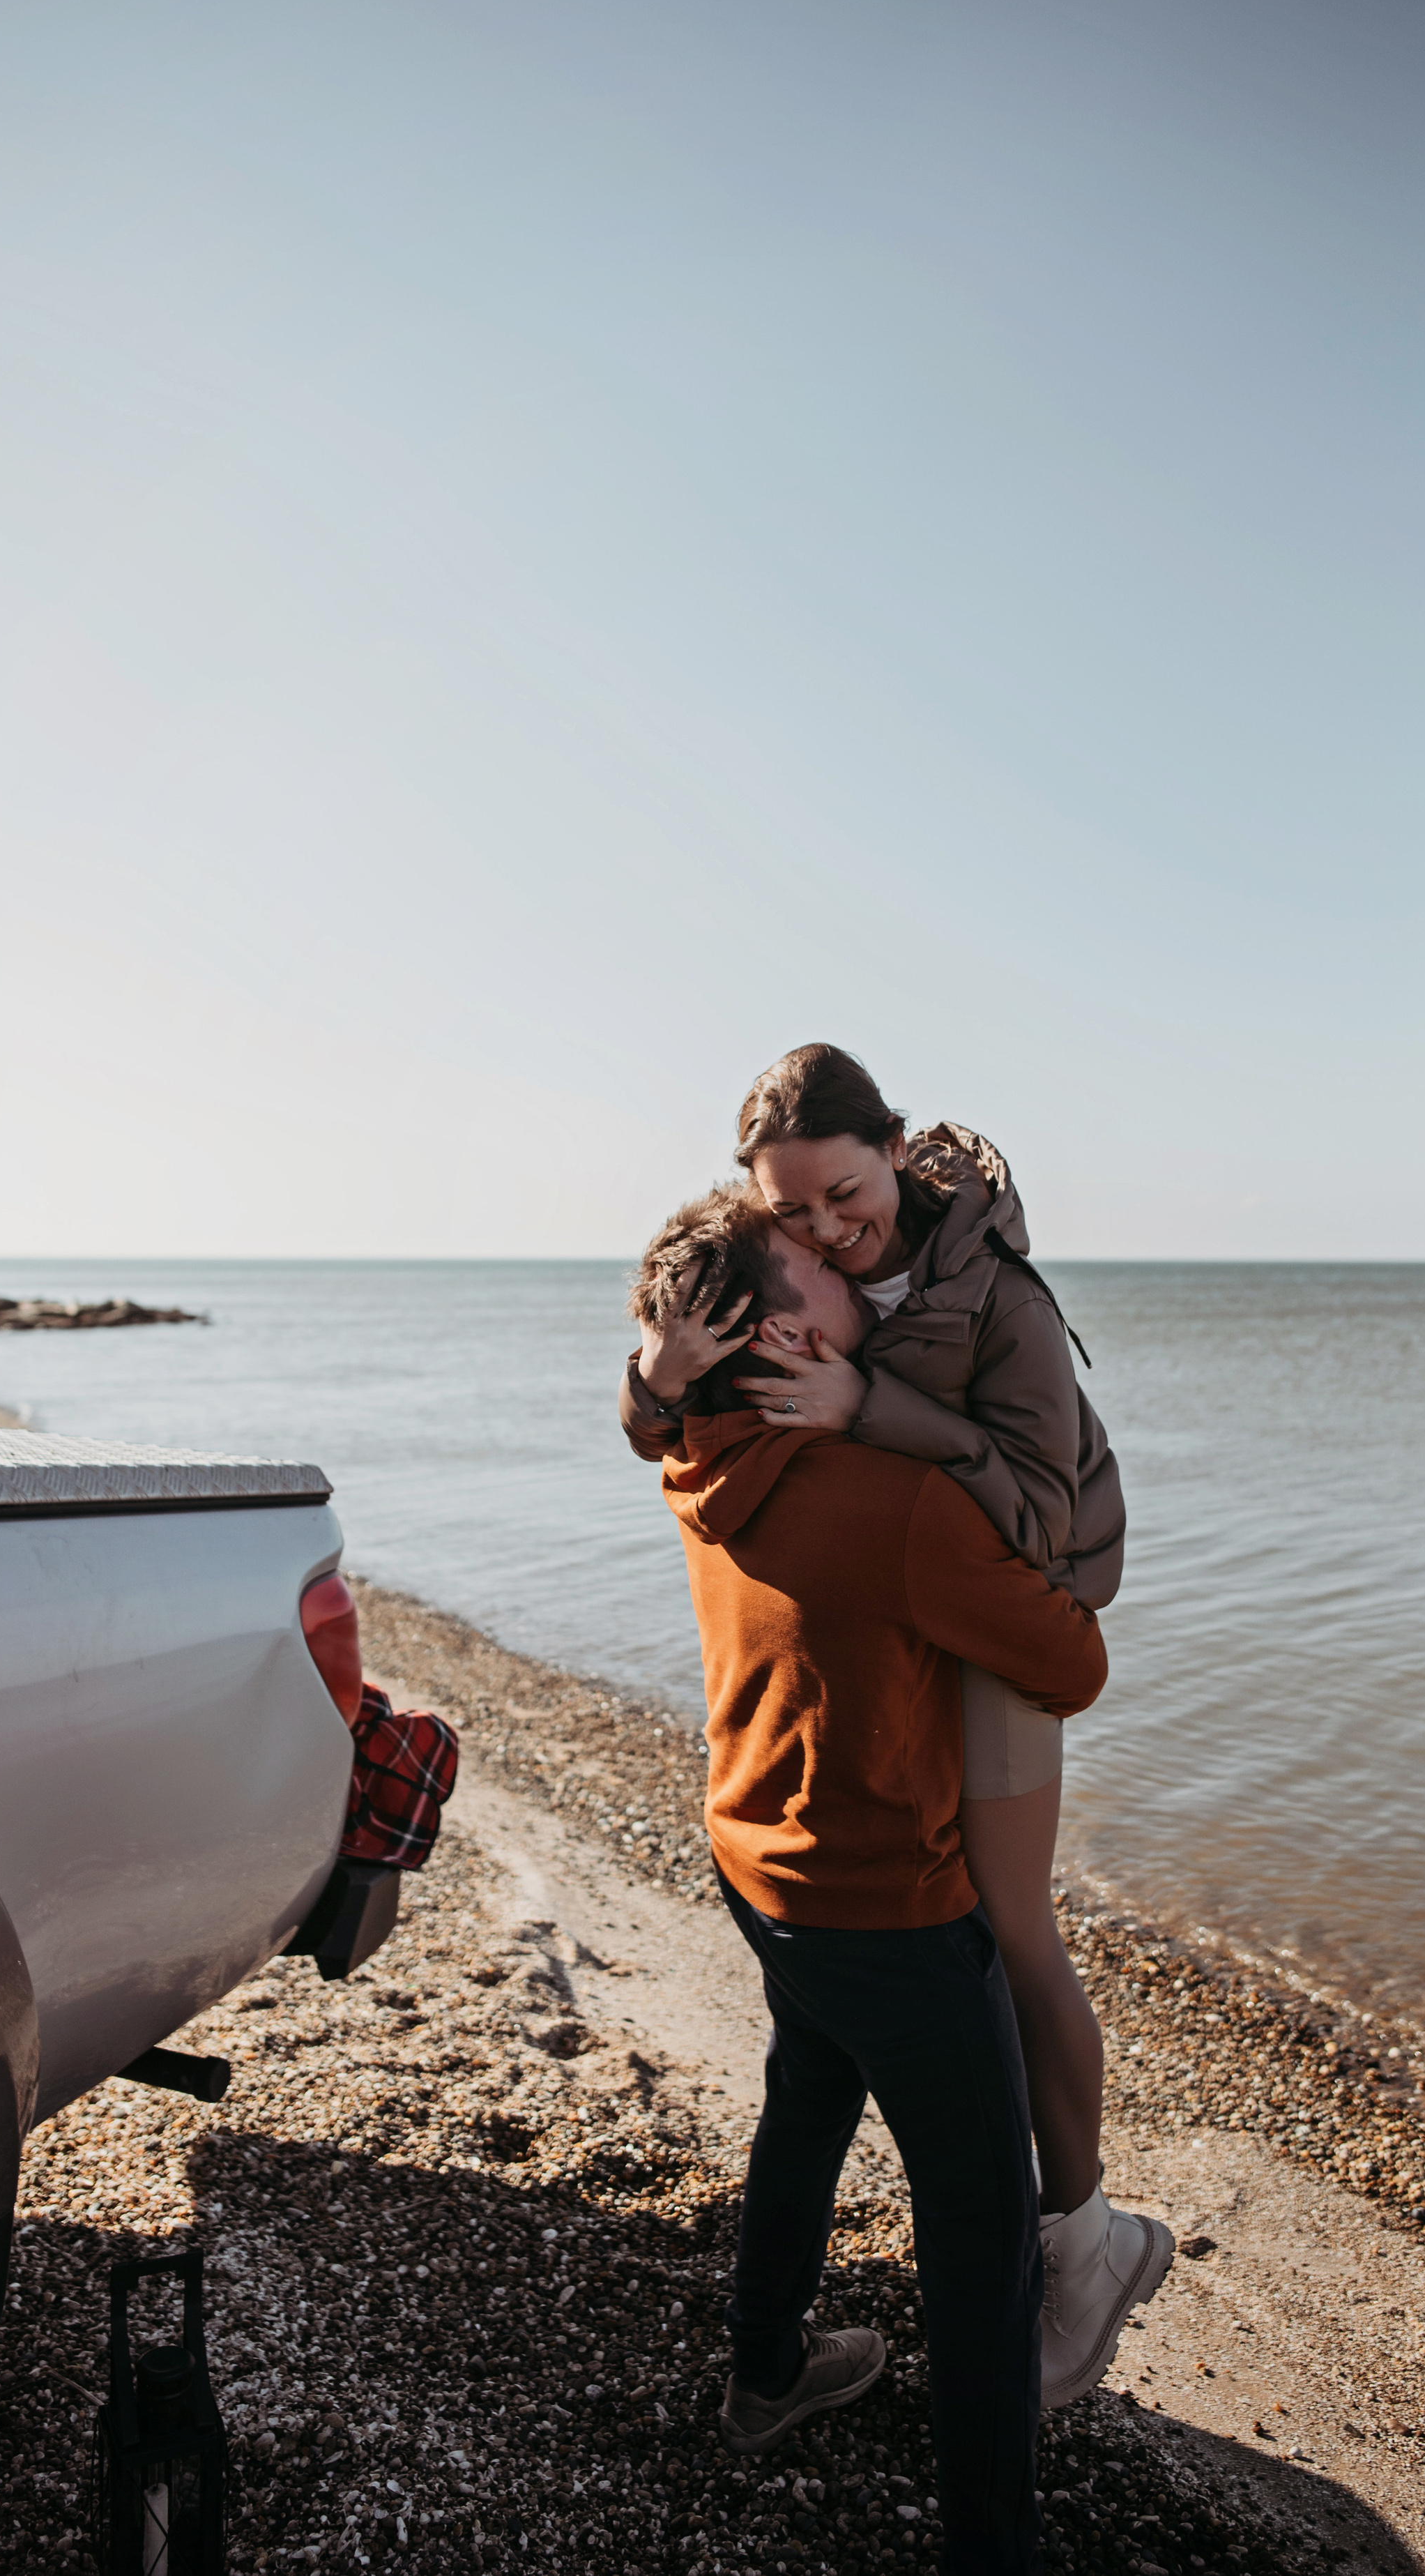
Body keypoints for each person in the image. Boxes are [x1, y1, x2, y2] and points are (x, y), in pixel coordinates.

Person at [620, 1048, 1168, 2407]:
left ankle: (1081, 2243)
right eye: (790, 1212)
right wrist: (648, 1380)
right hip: (917, 1602)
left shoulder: (999, 1299)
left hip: (1003, 1604)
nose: (817, 1232)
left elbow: (1038, 1513)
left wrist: (875, 1411)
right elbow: (687, 1406)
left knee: (1009, 1930)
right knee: (833, 2056)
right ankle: (871, 2322)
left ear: (897, 1150)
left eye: (840, 1196)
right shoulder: (798, 1259)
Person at [645, 1190, 1115, 2575]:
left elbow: (657, 1403)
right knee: (979, 2238)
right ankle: (992, 2548)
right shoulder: (895, 1501)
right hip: (883, 1906)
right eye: (813, 1254)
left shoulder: (689, 1442)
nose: (852, 1254)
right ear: (782, 1327)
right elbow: (1071, 1667)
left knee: (805, 2101)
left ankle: (767, 2370)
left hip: (753, 1854)